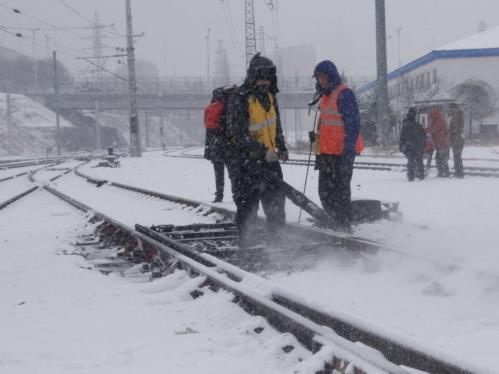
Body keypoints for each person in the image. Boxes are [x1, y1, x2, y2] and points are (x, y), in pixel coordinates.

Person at [226, 53, 289, 247]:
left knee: (276, 203)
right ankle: (247, 246)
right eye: (260, 77)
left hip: (269, 161)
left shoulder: (270, 96)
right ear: (253, 77)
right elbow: (237, 134)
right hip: (245, 164)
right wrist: (261, 151)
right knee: (248, 207)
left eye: (267, 78)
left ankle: (279, 242)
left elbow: (275, 125)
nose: (264, 82)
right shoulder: (240, 98)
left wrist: (281, 145)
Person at [308, 60, 363, 231]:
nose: (321, 81)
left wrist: (348, 149)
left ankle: (343, 223)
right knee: (325, 190)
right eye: (318, 78)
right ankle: (332, 220)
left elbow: (353, 124)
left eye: (323, 77)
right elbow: (327, 123)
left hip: (341, 152)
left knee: (340, 190)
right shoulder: (325, 96)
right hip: (326, 152)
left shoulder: (344, 94)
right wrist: (317, 138)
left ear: (331, 76)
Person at [204, 86, 234, 203]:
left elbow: (208, 131)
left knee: (219, 174)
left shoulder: (211, 107)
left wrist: (208, 150)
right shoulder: (229, 107)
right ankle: (235, 194)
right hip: (229, 146)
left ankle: (219, 195)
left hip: (216, 146)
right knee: (233, 174)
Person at [399, 107, 426, 181]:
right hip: (417, 146)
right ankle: (421, 174)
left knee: (411, 161)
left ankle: (411, 176)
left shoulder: (405, 125)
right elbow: (423, 136)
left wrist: (401, 146)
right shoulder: (418, 125)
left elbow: (402, 137)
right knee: (419, 160)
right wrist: (423, 145)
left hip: (409, 146)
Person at [428, 107, 450, 177]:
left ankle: (444, 173)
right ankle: (442, 172)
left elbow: (434, 130)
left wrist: (424, 129)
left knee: (442, 159)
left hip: (442, 143)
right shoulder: (437, 120)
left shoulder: (439, 121)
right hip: (440, 144)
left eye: (431, 116)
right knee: (439, 159)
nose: (431, 118)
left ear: (434, 115)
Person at [448, 103, 465, 178]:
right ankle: (459, 172)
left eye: (451, 108)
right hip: (460, 138)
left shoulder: (453, 115)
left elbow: (451, 127)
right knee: (458, 155)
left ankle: (458, 173)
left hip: (455, 138)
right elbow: (461, 127)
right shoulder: (460, 115)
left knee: (456, 155)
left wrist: (450, 132)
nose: (450, 110)